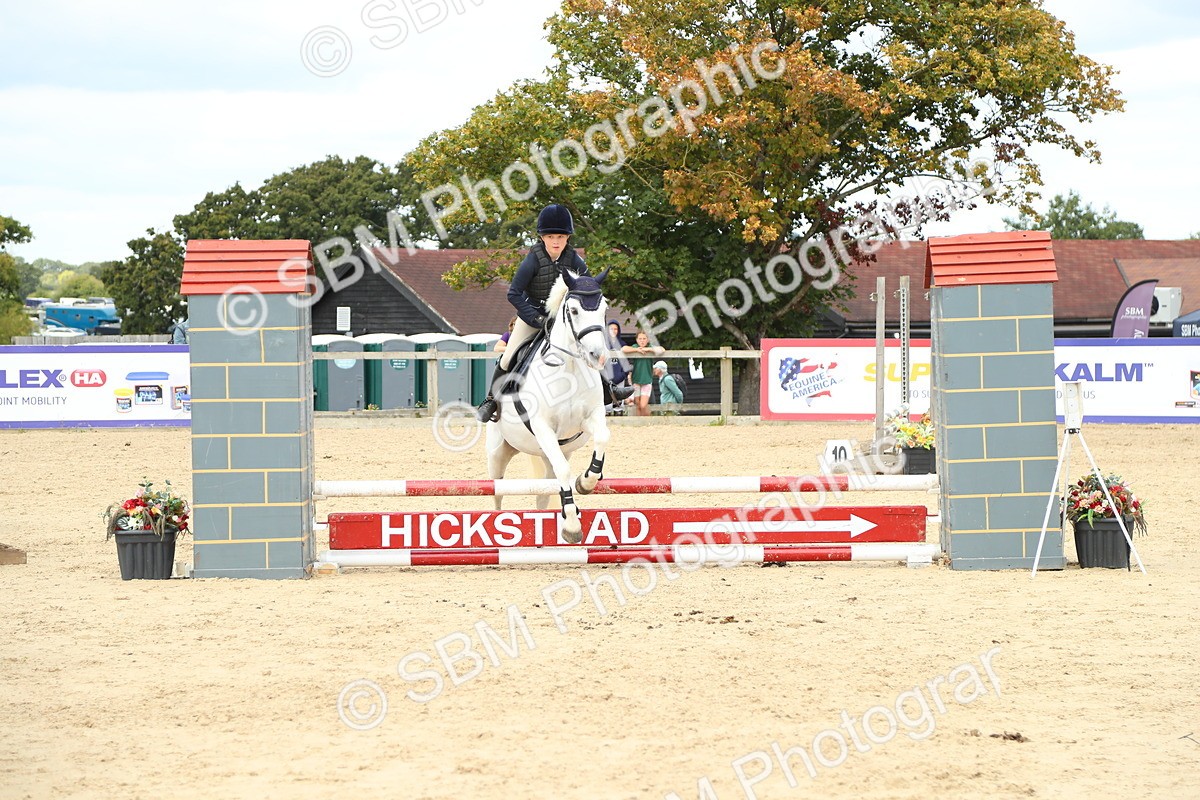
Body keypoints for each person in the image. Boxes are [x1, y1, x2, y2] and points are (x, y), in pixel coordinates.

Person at [475, 203, 634, 422]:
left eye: (561, 236)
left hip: (564, 319)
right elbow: (514, 293)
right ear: (542, 237)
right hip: (533, 316)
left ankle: (609, 389)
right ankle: (491, 400)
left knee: (590, 347)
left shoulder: (575, 260)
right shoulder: (532, 260)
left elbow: (587, 288)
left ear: (568, 237)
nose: (556, 241)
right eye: (551, 237)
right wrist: (535, 317)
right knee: (508, 356)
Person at [622, 329, 664, 417]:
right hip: (636, 380)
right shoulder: (635, 346)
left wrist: (648, 349)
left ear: (648, 339)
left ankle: (648, 421)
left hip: (647, 380)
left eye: (644, 338)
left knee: (643, 405)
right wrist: (637, 350)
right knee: (637, 404)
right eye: (640, 339)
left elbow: (662, 350)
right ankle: (639, 423)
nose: (642, 341)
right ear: (637, 340)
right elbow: (624, 349)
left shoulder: (650, 347)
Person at [604, 320, 631, 414]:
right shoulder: (603, 344)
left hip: (619, 378)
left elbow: (626, 363)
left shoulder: (622, 344)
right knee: (606, 406)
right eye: (611, 328)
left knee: (618, 405)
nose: (614, 331)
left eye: (616, 329)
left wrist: (623, 374)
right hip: (606, 379)